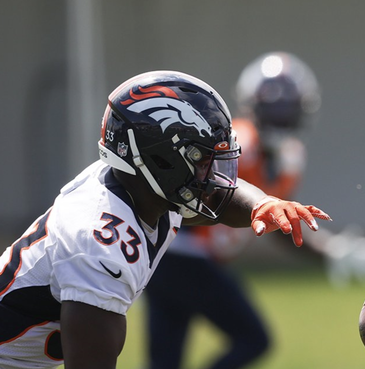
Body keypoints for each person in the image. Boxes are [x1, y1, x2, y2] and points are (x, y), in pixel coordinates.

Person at [0, 70, 330, 369]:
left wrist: (262, 203)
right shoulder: (100, 244)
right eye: (202, 160)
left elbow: (218, 197)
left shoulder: (145, 188)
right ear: (162, 159)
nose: (212, 175)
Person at [145, 52, 365, 369]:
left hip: (172, 259)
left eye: (286, 109)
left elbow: (275, 221)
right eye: (275, 108)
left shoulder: (289, 157)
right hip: (183, 252)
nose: (280, 117)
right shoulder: (236, 141)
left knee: (165, 361)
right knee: (253, 339)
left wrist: (332, 251)